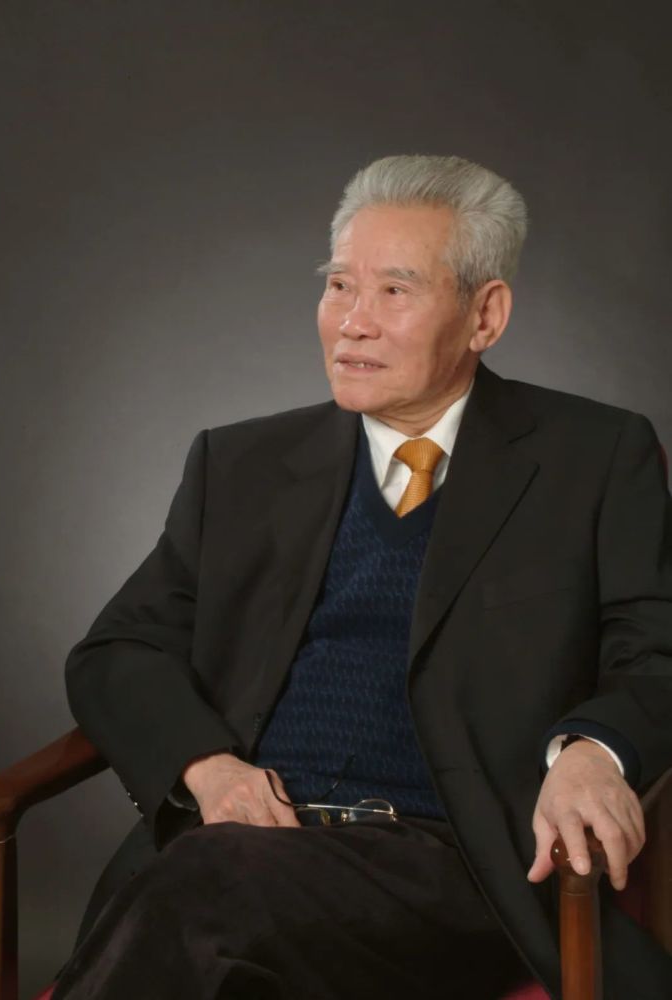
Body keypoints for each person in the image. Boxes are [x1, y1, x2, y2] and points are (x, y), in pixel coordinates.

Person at [52, 155, 672, 1000]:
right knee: (213, 903)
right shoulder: (242, 463)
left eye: (393, 291)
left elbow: (654, 651)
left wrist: (592, 751)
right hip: (244, 850)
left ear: (485, 315)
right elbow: (119, 648)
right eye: (339, 285)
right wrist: (207, 767)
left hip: (451, 865)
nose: (352, 322)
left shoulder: (592, 457)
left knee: (203, 891)